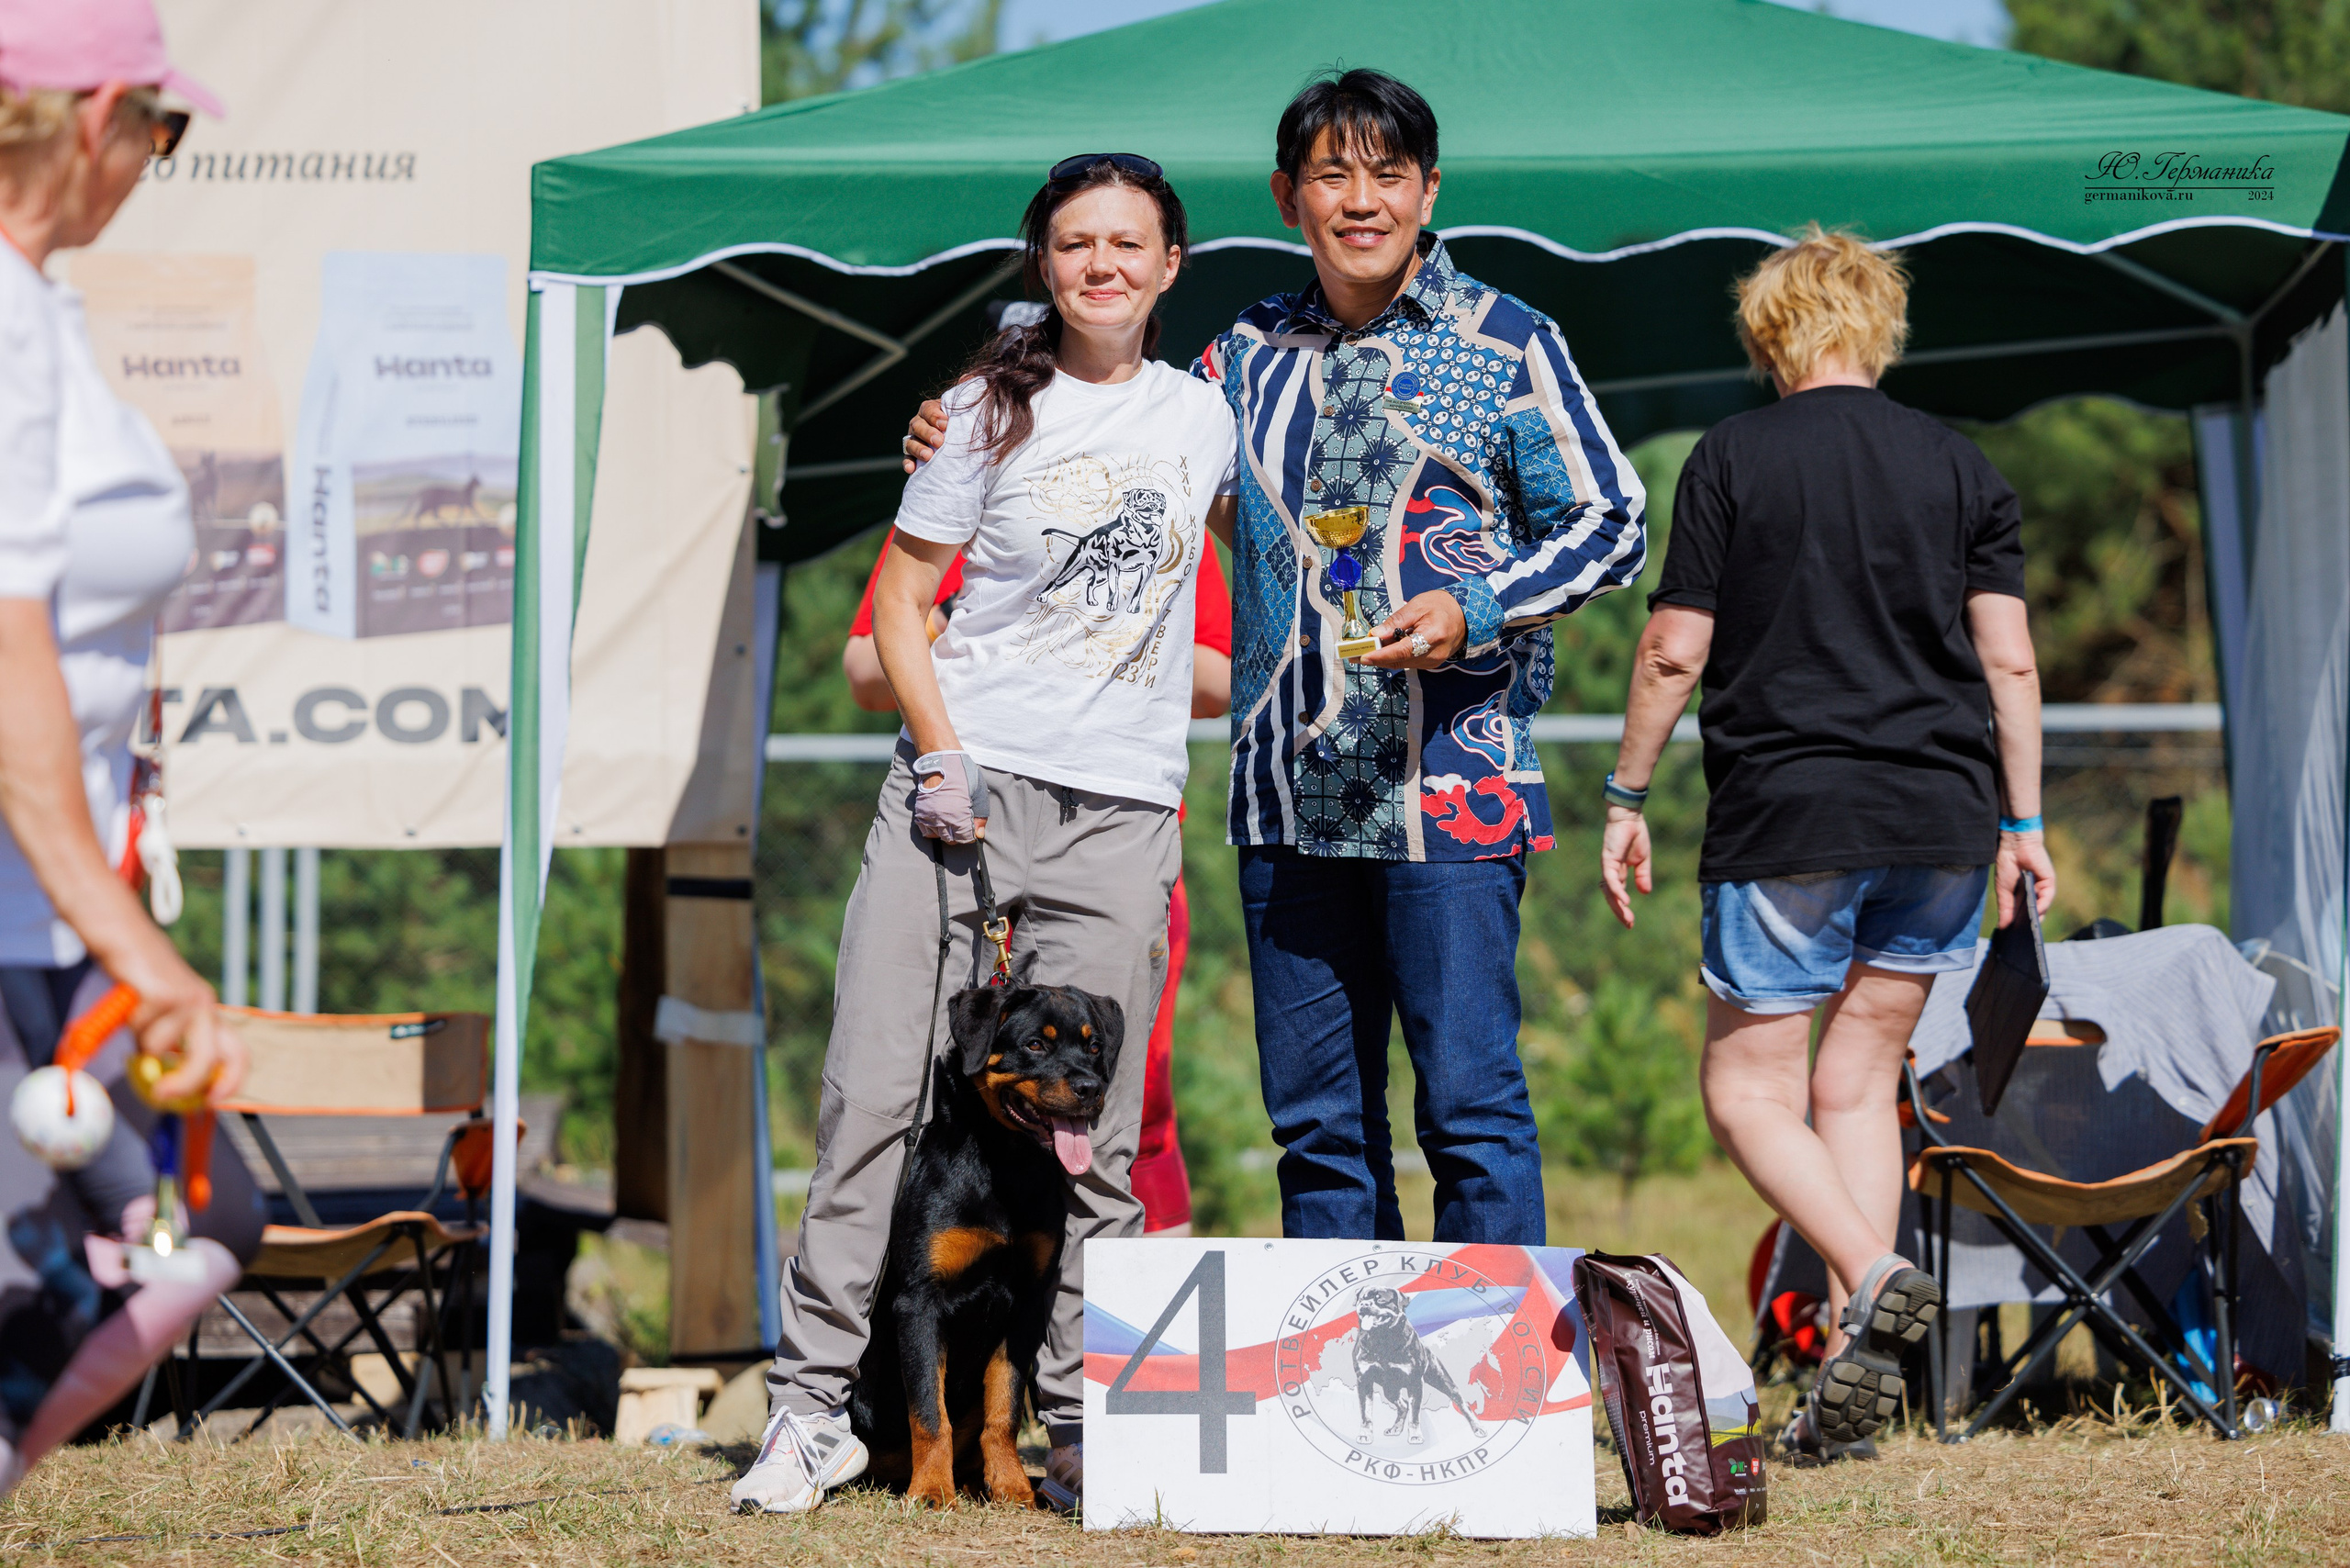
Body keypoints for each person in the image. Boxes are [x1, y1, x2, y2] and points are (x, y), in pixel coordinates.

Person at [906, 71, 1645, 1246]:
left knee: (1469, 1111)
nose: (1362, 200)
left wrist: (1477, 605)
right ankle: (1347, 1408)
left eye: (1388, 175)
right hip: (1282, 796)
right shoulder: (1239, 355)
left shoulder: (1505, 340)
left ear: (1428, 188)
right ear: (1287, 194)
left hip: (1446, 792)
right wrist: (970, 410)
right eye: (1333, 175)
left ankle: (1493, 1406)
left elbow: (1611, 519)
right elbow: (1105, 406)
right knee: (1316, 1125)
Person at [733, 152, 1236, 1518]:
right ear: (1045, 263)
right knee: (873, 1098)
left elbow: (1281, 556)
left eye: (1129, 242)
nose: (1104, 265)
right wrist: (942, 757)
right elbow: (899, 606)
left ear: (1171, 263)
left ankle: (1081, 1426)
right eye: (1077, 243)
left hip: (1123, 811)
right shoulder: (974, 411)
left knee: (1106, 1141)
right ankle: (810, 1415)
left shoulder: (1211, 418)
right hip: (961, 792)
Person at [1599, 227, 2055, 1461]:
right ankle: (1863, 1360)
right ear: (1879, 329)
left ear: (1770, 336)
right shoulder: (1962, 466)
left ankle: (1867, 1269)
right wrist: (2023, 822)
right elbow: (2008, 656)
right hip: (1944, 820)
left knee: (1746, 1090)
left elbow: (1672, 649)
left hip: (1791, 813)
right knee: (1858, 1084)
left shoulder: (1735, 456)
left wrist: (1626, 791)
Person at [0, 0, 252, 1494]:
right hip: (31, 909)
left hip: (46, 908)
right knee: (65, 1270)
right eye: (161, 129)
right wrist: (143, 950)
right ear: (95, 119)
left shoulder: (41, 306)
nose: (157, 159)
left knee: (164, 1237)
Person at [842, 532, 1235, 1235]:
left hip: (1111, 848)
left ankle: (1135, 1338)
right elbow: (868, 674)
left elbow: (1219, 680)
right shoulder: (958, 491)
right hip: (966, 849)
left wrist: (1084, 628)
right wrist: (981, 611)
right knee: (927, 1098)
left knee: (1129, 1105)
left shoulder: (1167, 487)